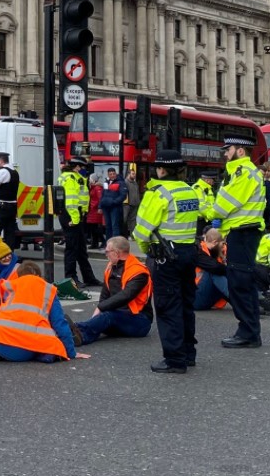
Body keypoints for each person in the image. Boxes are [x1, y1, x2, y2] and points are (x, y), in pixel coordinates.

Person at [132, 149, 199, 373]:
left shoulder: (157, 193)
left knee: (168, 307)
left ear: (160, 169)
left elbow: (141, 231)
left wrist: (147, 251)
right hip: (189, 252)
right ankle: (188, 353)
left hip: (165, 257)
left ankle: (174, 360)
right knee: (186, 305)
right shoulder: (189, 191)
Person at [206, 133, 266, 347]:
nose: (225, 153)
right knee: (242, 282)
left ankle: (248, 333)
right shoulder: (237, 173)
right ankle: (249, 331)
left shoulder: (243, 173)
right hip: (241, 232)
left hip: (244, 232)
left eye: (228, 149)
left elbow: (225, 204)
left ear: (240, 151)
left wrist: (208, 212)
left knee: (240, 283)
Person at [74, 236, 152, 344]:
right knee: (101, 320)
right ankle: (72, 332)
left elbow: (125, 296)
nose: (106, 255)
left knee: (107, 317)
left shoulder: (138, 272)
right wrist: (97, 314)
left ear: (116, 253)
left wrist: (100, 308)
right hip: (119, 316)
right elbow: (105, 295)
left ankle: (78, 334)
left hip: (140, 321)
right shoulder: (111, 267)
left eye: (107, 251)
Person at [59, 157, 98, 286]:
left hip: (76, 215)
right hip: (71, 216)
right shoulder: (70, 178)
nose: (84, 170)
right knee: (72, 249)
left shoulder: (75, 178)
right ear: (77, 167)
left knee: (81, 249)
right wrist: (75, 219)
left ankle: (88, 277)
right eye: (83, 168)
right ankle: (71, 279)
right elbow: (71, 201)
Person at [194, 228, 231, 310]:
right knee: (214, 272)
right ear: (215, 242)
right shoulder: (198, 251)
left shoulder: (219, 249)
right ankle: (242, 302)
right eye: (222, 244)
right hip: (195, 298)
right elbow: (215, 267)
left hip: (207, 297)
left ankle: (248, 301)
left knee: (235, 272)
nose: (223, 247)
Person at [100, 167, 128, 238]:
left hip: (114, 207)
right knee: (108, 227)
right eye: (110, 174)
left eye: (113, 173)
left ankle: (116, 245)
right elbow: (102, 195)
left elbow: (123, 195)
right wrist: (100, 206)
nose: (112, 175)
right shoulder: (106, 183)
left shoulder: (121, 183)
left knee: (115, 226)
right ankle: (108, 244)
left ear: (116, 174)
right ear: (108, 175)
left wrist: (114, 202)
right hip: (106, 207)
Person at [193, 169, 220, 237]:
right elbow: (201, 206)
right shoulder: (197, 188)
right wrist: (212, 216)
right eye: (213, 180)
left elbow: (212, 204)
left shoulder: (209, 189)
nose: (214, 182)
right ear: (207, 180)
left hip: (208, 220)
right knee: (200, 242)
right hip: (200, 221)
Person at [85, 176, 106, 249]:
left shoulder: (97, 188)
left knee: (95, 228)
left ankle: (102, 241)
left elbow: (100, 198)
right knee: (93, 227)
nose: (89, 181)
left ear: (94, 180)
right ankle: (95, 243)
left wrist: (96, 206)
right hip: (93, 209)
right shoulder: (94, 187)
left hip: (95, 210)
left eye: (90, 179)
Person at [123, 167, 141, 237]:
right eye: (133, 174)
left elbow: (137, 193)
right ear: (128, 174)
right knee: (124, 219)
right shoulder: (125, 182)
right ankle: (124, 234)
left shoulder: (135, 183)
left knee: (133, 220)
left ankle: (132, 235)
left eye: (135, 174)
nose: (134, 175)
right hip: (127, 204)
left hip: (135, 204)